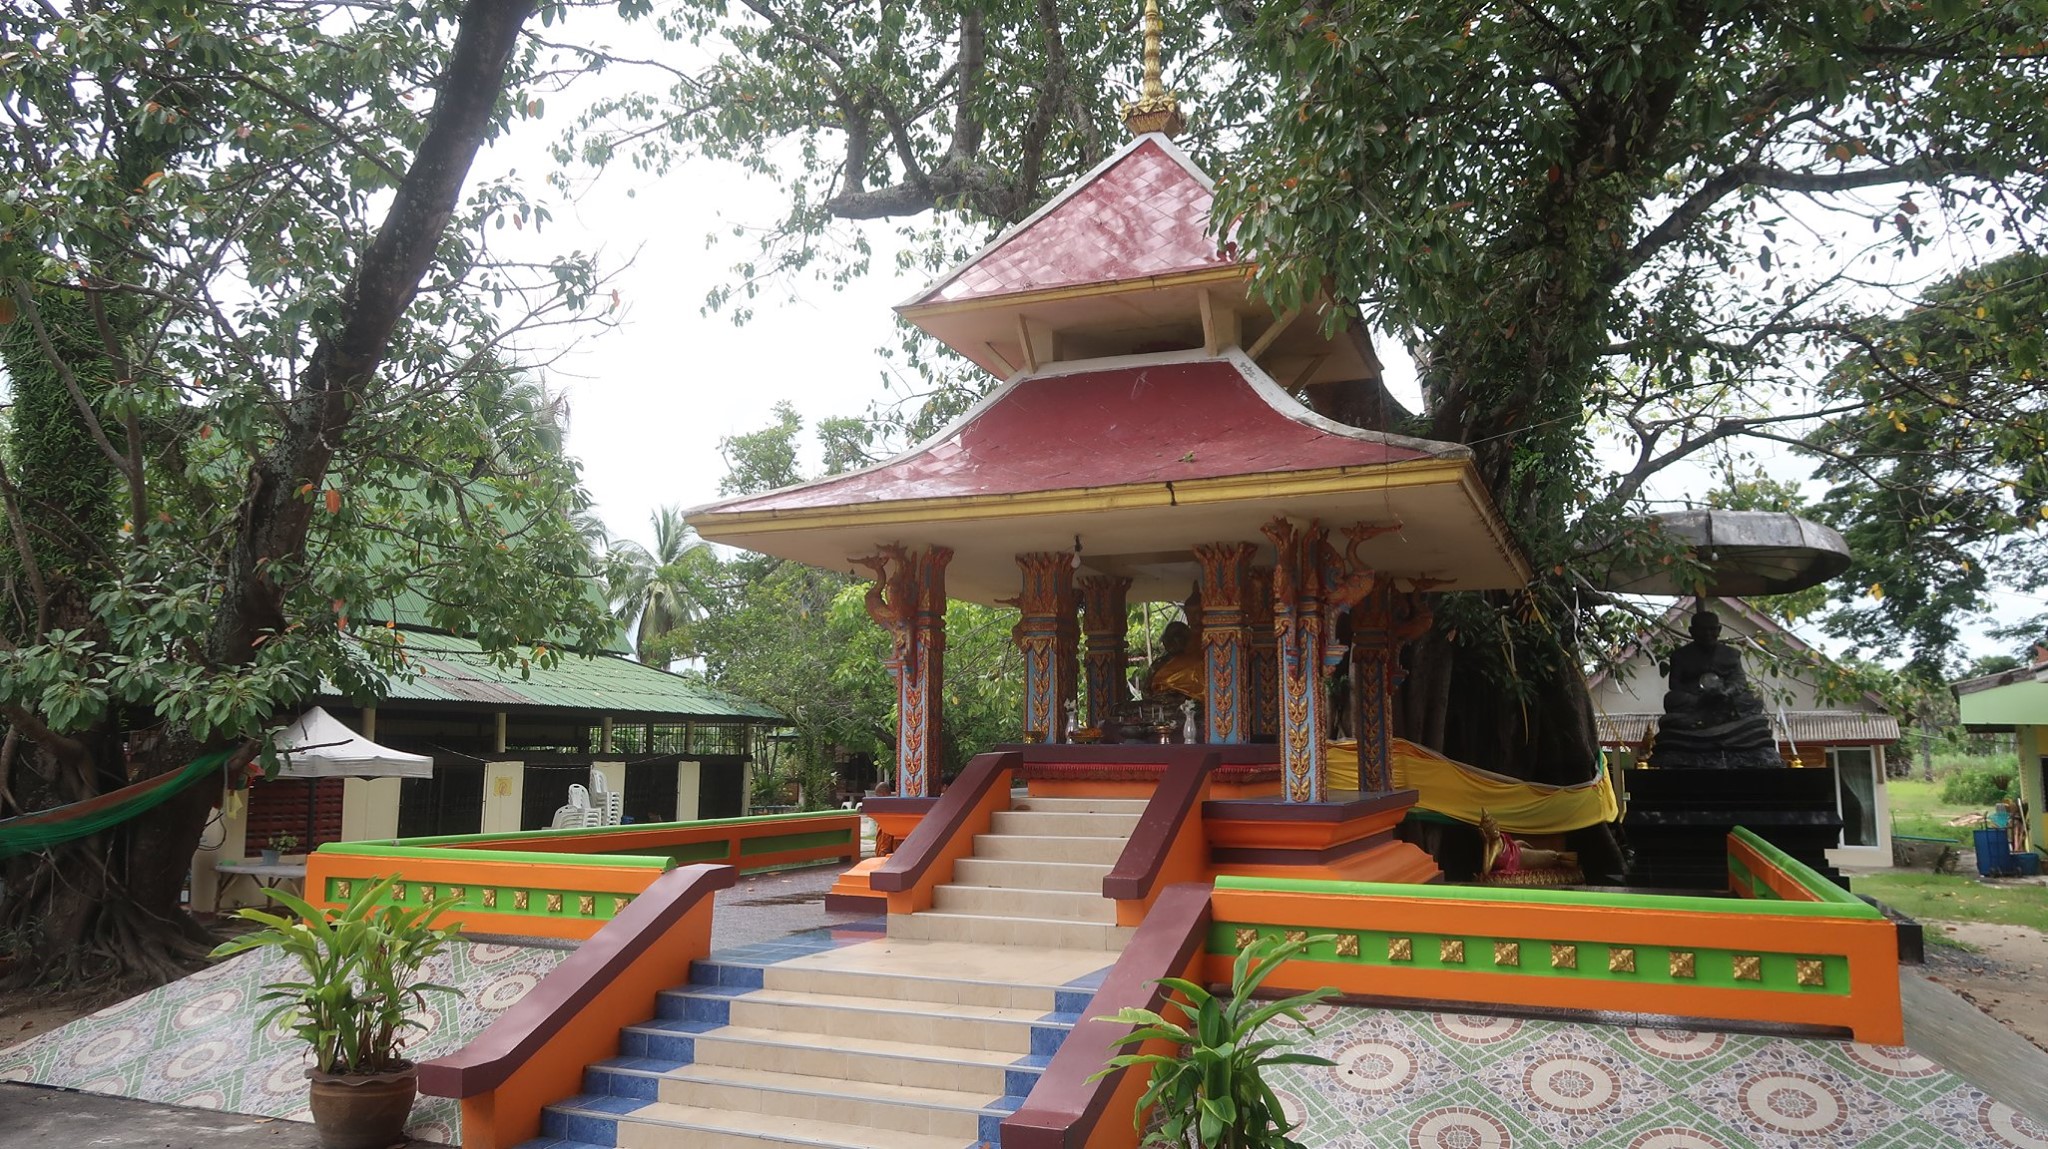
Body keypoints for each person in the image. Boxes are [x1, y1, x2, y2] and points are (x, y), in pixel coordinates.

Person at [1649, 609, 1782, 769]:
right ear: (1692, 631)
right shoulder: (1680, 656)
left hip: (1725, 699)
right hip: (1696, 700)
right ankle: (1702, 720)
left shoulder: (1731, 654)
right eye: (1702, 630)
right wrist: (1699, 696)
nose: (1708, 634)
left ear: (1719, 630)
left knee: (1754, 698)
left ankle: (1715, 720)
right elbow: (1675, 685)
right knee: (1672, 699)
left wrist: (1726, 692)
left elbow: (1739, 681)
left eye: (1712, 629)